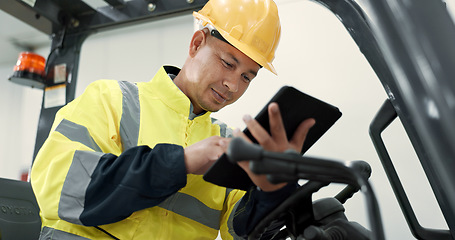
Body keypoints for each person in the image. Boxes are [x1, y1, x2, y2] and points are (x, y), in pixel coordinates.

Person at [30, 0, 315, 239]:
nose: (233, 85)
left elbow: (238, 232)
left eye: (246, 77)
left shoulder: (228, 145)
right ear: (196, 43)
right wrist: (181, 162)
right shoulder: (111, 98)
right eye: (228, 63)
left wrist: (272, 191)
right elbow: (58, 186)